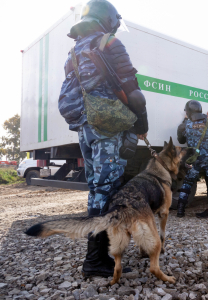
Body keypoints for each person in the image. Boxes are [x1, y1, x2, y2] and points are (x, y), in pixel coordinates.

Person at [58, 0, 148, 278]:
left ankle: (96, 256)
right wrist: (142, 123)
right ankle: (96, 259)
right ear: (108, 19)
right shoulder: (109, 43)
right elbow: (133, 93)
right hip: (107, 127)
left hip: (85, 127)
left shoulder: (73, 52)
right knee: (107, 190)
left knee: (97, 189)